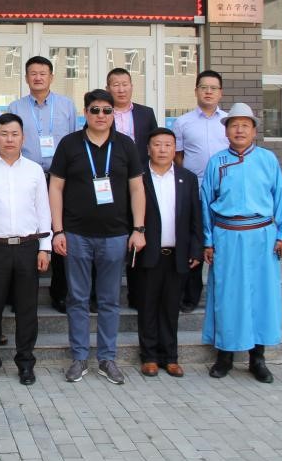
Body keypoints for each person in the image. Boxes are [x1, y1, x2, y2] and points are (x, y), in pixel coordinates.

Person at [49, 88, 145, 386]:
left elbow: (137, 189)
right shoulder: (70, 144)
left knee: (109, 300)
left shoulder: (125, 145)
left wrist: (139, 229)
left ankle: (107, 358)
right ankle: (79, 357)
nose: (101, 115)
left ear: (113, 114)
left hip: (115, 235)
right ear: (85, 113)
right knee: (77, 298)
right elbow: (55, 188)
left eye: (107, 110)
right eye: (95, 110)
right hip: (76, 234)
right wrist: (57, 230)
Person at [201, 103, 282, 384]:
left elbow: (280, 197)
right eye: (234, 125)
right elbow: (205, 203)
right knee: (227, 295)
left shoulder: (268, 159)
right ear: (226, 130)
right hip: (227, 235)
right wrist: (208, 240)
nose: (239, 130)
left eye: (245, 125)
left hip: (262, 235)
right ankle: (225, 355)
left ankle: (258, 357)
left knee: (262, 296)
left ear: (254, 130)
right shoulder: (216, 162)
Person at [0, 113, 52, 386]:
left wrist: (45, 247)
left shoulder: (34, 170)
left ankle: (25, 363)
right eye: (4, 134)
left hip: (28, 247)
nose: (9, 139)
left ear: (23, 138)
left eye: (15, 134)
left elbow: (43, 211)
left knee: (27, 310)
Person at [7, 56, 78, 315]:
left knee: (60, 233)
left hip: (61, 178)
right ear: (26, 78)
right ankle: (19, 294)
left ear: (51, 77)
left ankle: (60, 293)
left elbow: (73, 141)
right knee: (27, 234)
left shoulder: (66, 106)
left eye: (43, 73)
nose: (38, 77)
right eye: (33, 73)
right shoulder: (15, 107)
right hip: (27, 177)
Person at [136, 128, 202, 379]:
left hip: (177, 254)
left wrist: (196, 248)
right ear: (148, 149)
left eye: (168, 145)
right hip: (148, 253)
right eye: (157, 144)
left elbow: (195, 216)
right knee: (148, 306)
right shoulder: (139, 177)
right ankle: (149, 357)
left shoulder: (187, 178)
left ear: (175, 149)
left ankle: (171, 357)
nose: (162, 150)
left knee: (171, 307)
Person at [173, 69, 228, 314]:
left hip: (224, 192)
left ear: (220, 93)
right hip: (193, 191)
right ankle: (190, 295)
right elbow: (178, 156)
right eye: (204, 87)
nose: (208, 92)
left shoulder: (229, 121)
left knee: (222, 240)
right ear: (196, 91)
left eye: (213, 88)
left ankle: (222, 293)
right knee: (194, 240)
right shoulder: (183, 122)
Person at [106, 67, 157, 311]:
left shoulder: (146, 113)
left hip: (140, 182)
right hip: (110, 183)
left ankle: (137, 294)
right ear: (108, 88)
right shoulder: (103, 112)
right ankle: (105, 294)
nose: (121, 89)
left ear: (132, 86)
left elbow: (154, 145)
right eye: (115, 84)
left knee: (139, 234)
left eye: (125, 84)